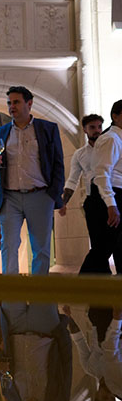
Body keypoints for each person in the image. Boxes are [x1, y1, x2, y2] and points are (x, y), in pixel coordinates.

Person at [0, 86, 65, 275]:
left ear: (29, 103)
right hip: (10, 197)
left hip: (40, 195)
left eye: (16, 102)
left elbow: (58, 164)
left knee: (41, 247)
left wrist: (52, 195)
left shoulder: (48, 129)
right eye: (9, 103)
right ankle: (11, 287)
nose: (11, 106)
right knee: (8, 244)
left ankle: (39, 287)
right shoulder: (1, 132)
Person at [0, 302, 72, 401]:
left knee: (9, 289)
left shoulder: (10, 393)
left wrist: (1, 365)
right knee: (43, 289)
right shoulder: (59, 397)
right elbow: (66, 361)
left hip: (15, 329)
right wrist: (62, 328)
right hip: (45, 329)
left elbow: (2, 365)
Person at [83, 100, 122, 275]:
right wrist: (111, 204)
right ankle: (80, 285)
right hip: (110, 195)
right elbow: (102, 173)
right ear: (115, 116)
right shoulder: (111, 139)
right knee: (103, 248)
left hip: (115, 193)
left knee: (114, 245)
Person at [65, 305, 122, 401]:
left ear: (97, 394)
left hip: (99, 324)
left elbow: (79, 341)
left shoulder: (90, 368)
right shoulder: (118, 374)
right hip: (119, 333)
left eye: (105, 397)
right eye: (112, 397)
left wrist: (69, 318)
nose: (109, 394)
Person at [60, 114, 104, 223]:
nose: (97, 130)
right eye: (92, 127)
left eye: (99, 127)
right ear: (84, 129)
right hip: (92, 198)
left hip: (114, 195)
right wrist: (64, 203)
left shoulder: (112, 147)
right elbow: (72, 180)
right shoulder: (79, 154)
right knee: (95, 233)